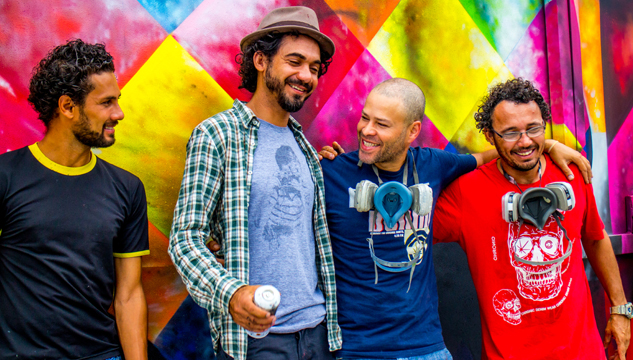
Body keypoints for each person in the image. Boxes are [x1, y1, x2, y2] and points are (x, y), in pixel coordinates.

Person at [317, 77, 590, 359]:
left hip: (427, 348)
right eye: (365, 118)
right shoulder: (331, 172)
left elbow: (491, 154)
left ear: (413, 131)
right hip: (357, 350)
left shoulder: (434, 164)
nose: (367, 130)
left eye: (382, 124)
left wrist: (545, 145)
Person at [169, 6, 340, 360]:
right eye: (295, 61)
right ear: (261, 60)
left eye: (313, 67)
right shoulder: (217, 135)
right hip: (257, 340)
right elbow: (185, 239)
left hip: (319, 333)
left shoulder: (305, 146)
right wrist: (231, 293)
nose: (306, 76)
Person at [433, 78, 631, 359]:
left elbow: (596, 238)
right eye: (510, 132)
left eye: (534, 129)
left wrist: (620, 309)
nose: (525, 141)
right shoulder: (465, 193)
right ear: (490, 135)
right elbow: (407, 228)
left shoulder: (571, 174)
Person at [0, 39, 149, 360]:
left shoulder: (127, 188)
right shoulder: (5, 177)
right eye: (106, 102)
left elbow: (129, 294)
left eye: (117, 101)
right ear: (68, 107)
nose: (119, 113)